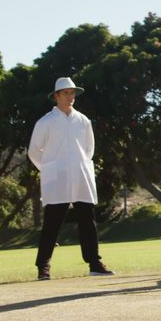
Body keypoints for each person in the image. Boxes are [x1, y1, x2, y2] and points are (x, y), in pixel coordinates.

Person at [27, 77, 115, 280]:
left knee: (87, 219)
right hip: (56, 178)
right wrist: (49, 169)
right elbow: (34, 151)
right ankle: (43, 266)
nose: (70, 96)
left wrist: (80, 164)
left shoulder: (83, 121)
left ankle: (94, 263)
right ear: (56, 96)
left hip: (80, 174)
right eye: (66, 93)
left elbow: (89, 149)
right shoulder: (46, 122)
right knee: (52, 222)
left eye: (72, 92)